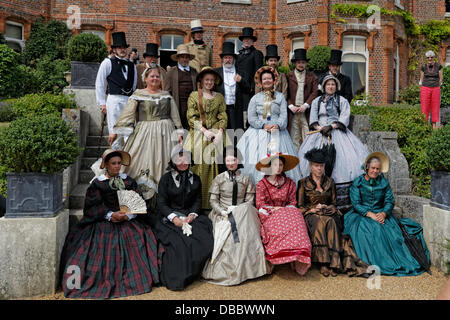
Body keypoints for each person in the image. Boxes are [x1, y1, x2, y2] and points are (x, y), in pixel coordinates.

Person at [60, 149, 162, 299]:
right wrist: (110, 215)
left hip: (127, 221)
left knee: (139, 237)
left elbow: (138, 203)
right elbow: (92, 206)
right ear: (106, 164)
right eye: (113, 163)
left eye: (119, 163)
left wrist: (129, 215)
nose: (117, 166)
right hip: (103, 221)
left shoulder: (128, 181)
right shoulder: (98, 184)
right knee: (95, 246)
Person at [344, 152, 430, 276]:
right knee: (369, 230)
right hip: (362, 215)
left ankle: (393, 260)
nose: (375, 171)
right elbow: (356, 203)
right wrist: (369, 214)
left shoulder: (383, 182)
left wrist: (384, 213)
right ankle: (374, 261)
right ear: (367, 167)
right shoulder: (358, 182)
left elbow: (390, 200)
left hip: (381, 213)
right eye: (373, 168)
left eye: (377, 169)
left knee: (391, 233)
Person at [297, 74, 369, 211]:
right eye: (328, 84)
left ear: (337, 86)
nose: (331, 87)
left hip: (338, 133)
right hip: (319, 133)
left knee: (345, 161)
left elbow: (344, 118)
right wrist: (321, 128)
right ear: (324, 87)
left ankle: (341, 201)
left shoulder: (342, 100)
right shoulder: (317, 101)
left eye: (333, 84)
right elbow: (313, 119)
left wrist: (331, 127)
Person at [113, 66, 183, 202]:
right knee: (140, 161)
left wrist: (179, 131)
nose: (155, 78)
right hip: (145, 132)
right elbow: (128, 114)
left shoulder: (166, 95)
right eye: (152, 76)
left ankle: (163, 199)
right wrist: (117, 133)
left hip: (166, 132)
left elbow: (174, 114)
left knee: (165, 161)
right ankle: (141, 197)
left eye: (157, 76)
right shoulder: (138, 94)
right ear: (145, 79)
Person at [297, 148, 370, 277]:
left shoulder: (330, 182)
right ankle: (323, 262)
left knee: (330, 220)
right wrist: (312, 209)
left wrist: (330, 208)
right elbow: (300, 206)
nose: (319, 169)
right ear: (310, 167)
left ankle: (333, 263)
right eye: (316, 166)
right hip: (312, 215)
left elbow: (335, 203)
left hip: (329, 214)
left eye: (321, 166)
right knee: (321, 221)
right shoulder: (303, 183)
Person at [202, 147, 270, 286]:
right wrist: (222, 211)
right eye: (228, 160)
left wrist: (239, 211)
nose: (231, 162)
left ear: (238, 160)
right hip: (223, 213)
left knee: (247, 231)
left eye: (234, 159)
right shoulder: (219, 179)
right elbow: (213, 201)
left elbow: (250, 199)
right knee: (228, 238)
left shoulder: (246, 178)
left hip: (242, 213)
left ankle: (252, 268)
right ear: (225, 161)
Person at [152, 149, 214, 290]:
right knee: (178, 243)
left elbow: (198, 200)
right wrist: (174, 219)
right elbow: (161, 203)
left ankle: (195, 272)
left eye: (185, 159)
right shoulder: (166, 179)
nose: (182, 163)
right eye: (179, 160)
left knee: (204, 237)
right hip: (169, 217)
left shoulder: (195, 178)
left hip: (189, 216)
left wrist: (191, 216)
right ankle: (180, 277)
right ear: (173, 161)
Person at [237, 66, 302, 185]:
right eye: (264, 79)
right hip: (259, 131)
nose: (267, 81)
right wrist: (263, 126)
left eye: (269, 78)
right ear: (260, 82)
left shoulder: (280, 97)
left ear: (274, 81)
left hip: (278, 132)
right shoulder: (255, 98)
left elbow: (284, 116)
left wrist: (277, 125)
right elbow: (251, 118)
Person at [255, 153, 312, 275]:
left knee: (297, 217)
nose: (278, 167)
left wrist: (282, 209)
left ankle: (298, 257)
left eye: (280, 165)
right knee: (281, 222)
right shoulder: (262, 184)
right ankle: (279, 256)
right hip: (270, 214)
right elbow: (260, 205)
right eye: (275, 164)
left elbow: (292, 202)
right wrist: (274, 209)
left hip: (287, 212)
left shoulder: (290, 183)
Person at [184, 67, 228, 210]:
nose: (209, 82)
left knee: (219, 161)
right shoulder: (194, 96)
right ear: (201, 81)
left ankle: (213, 201)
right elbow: (191, 117)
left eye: (212, 80)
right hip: (198, 132)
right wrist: (205, 131)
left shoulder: (219, 97)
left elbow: (222, 115)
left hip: (217, 133)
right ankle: (196, 202)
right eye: (206, 80)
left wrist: (220, 132)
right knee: (198, 161)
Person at [95, 32, 137, 146]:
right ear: (114, 49)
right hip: (114, 99)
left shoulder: (132, 65)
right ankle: (115, 160)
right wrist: (102, 103)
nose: (122, 50)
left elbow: (134, 85)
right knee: (115, 132)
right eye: (119, 47)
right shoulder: (107, 63)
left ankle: (128, 161)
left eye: (124, 47)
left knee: (129, 133)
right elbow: (100, 83)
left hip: (128, 101)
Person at [286, 48, 318, 151]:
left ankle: (306, 160)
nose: (301, 64)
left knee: (307, 134)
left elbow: (315, 92)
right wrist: (290, 105)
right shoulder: (288, 76)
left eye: (303, 62)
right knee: (293, 135)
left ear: (306, 64)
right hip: (292, 111)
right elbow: (284, 92)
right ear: (295, 63)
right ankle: (295, 161)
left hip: (306, 111)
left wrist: (306, 105)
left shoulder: (312, 77)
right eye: (299, 62)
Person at [215, 41, 250, 130]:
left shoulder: (241, 72)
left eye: (230, 57)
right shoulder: (216, 72)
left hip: (236, 109)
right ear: (222, 59)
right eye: (225, 57)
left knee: (236, 134)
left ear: (233, 59)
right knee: (222, 133)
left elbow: (248, 89)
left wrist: (241, 81)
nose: (228, 60)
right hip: (220, 109)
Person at [164, 44, 198, 129]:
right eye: (182, 57)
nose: (184, 59)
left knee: (191, 129)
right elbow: (167, 92)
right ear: (178, 58)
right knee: (178, 130)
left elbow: (198, 89)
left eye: (186, 57)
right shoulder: (171, 72)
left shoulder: (194, 72)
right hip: (177, 105)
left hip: (191, 106)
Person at [235, 27, 264, 128]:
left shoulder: (257, 54)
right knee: (239, 119)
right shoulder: (238, 55)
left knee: (248, 118)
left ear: (252, 41)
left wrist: (252, 88)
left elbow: (258, 73)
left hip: (250, 91)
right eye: (245, 39)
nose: (246, 40)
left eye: (249, 39)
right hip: (238, 90)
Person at [420, 50, 443, 129]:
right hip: (425, 88)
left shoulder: (438, 66)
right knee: (424, 106)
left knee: (435, 106)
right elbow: (421, 78)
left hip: (435, 88)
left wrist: (438, 85)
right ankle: (424, 125)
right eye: (428, 57)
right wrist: (423, 86)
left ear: (434, 58)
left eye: (431, 57)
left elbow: (441, 78)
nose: (429, 59)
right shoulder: (423, 67)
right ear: (426, 58)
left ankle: (434, 126)